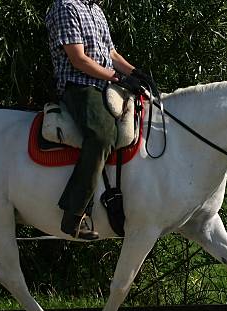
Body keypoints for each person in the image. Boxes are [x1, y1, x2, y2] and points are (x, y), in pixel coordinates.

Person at [46, 0, 150, 240]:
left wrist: (136, 74)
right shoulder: (66, 7)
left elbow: (111, 53)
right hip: (79, 87)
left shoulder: (96, 10)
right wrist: (117, 78)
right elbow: (79, 59)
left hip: (104, 84)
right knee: (101, 136)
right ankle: (74, 213)